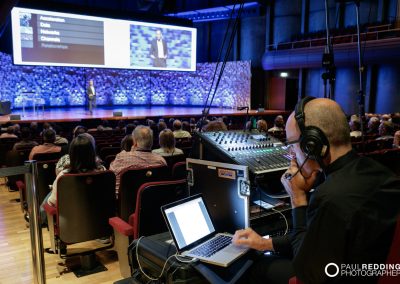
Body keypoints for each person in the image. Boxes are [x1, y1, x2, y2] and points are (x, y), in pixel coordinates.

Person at [233, 97, 400, 284]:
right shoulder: (379, 172)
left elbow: (306, 272)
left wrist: (298, 199)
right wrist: (265, 243)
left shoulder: (331, 197)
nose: (292, 155)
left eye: (292, 145)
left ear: (311, 143)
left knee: (258, 266)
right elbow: (318, 237)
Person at [110, 125, 166, 192]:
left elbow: (111, 179)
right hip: (154, 199)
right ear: (151, 142)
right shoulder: (161, 161)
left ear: (135, 142)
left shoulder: (121, 158)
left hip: (126, 201)